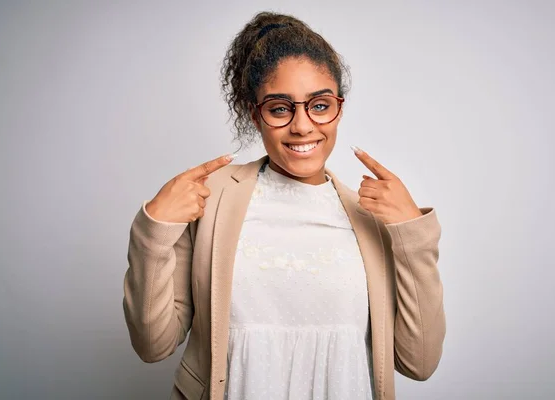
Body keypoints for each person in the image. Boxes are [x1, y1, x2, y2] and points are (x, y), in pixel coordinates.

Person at [123, 11, 445, 400]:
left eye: (320, 105)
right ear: (253, 114)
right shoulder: (210, 198)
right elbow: (153, 345)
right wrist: (153, 229)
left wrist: (412, 233)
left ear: (338, 108)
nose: (303, 126)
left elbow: (419, 362)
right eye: (280, 108)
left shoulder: (374, 215)